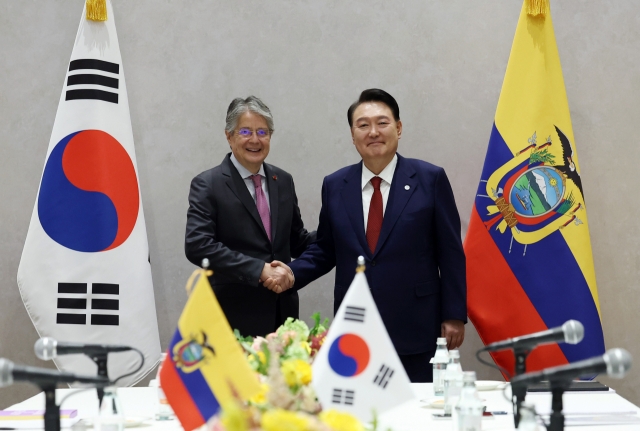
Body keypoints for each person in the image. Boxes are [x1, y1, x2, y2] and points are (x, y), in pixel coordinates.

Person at [268, 89, 466, 382]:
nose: (373, 132)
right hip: (356, 330)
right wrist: (290, 274)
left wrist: (454, 315)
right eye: (363, 125)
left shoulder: (429, 179)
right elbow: (325, 248)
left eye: (382, 123)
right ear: (352, 134)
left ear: (398, 128)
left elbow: (450, 252)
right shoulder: (336, 185)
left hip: (417, 326)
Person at [185, 96, 315, 337]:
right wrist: (258, 269)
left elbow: (296, 241)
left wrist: (337, 227)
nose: (255, 140)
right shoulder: (208, 184)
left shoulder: (283, 181)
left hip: (282, 318)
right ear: (229, 136)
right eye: (245, 131)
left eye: (262, 132)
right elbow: (197, 245)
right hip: (231, 319)